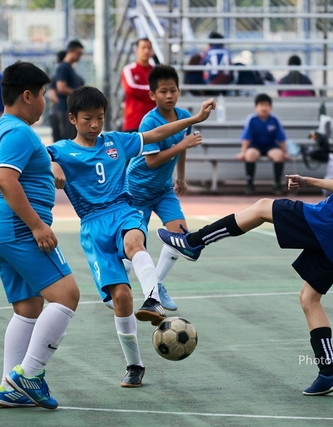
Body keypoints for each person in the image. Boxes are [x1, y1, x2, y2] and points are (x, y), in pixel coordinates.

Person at [158, 75, 333, 397]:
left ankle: (194, 242)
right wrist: (308, 180)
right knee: (309, 298)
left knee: (263, 207)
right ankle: (329, 370)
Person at [47, 86, 214, 387]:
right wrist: (53, 164)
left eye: (100, 117)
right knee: (121, 297)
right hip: (93, 225)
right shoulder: (61, 150)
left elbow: (157, 134)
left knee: (134, 242)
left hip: (124, 210)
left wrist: (195, 119)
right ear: (72, 118)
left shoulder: (115, 142)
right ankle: (135, 365)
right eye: (88, 119)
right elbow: (39, 158)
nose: (95, 125)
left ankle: (152, 299)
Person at [0, 61, 80, 409]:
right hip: (18, 228)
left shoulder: (8, 127)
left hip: (2, 230)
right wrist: (38, 225)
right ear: (27, 96)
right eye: (42, 94)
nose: (45, 100)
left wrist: (48, 166)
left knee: (28, 308)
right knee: (67, 294)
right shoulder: (19, 131)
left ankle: (10, 385)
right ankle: (30, 374)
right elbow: (6, 179)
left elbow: (19, 172)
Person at [124, 65, 203, 312]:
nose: (169, 96)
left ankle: (156, 285)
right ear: (152, 95)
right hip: (137, 190)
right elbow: (151, 160)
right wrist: (183, 146)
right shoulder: (149, 121)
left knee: (181, 237)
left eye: (173, 90)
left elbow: (183, 148)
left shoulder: (184, 117)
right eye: (163, 91)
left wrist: (181, 177)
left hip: (163, 190)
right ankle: (114, 285)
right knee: (133, 244)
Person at [236, 93, 289, 195]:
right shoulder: (251, 120)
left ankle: (277, 184)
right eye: (261, 105)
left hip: (271, 145)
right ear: (256, 107)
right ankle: (250, 184)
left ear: (270, 107)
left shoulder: (274, 120)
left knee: (278, 155)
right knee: (250, 155)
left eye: (266, 105)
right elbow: (246, 138)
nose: (264, 108)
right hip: (255, 145)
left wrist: (285, 152)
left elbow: (281, 138)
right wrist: (243, 152)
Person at [121, 38, 157, 132]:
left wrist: (141, 93)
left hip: (154, 121)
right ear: (136, 50)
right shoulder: (129, 69)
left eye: (149, 48)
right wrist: (153, 92)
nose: (146, 50)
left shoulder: (157, 71)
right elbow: (130, 90)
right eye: (143, 47)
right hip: (133, 121)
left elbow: (161, 91)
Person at [52, 40, 85, 141]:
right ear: (70, 51)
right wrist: (78, 95)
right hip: (64, 109)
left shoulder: (69, 68)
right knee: (68, 138)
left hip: (69, 108)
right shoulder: (63, 67)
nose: (79, 57)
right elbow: (61, 87)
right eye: (78, 54)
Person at [48, 50, 67, 142]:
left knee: (58, 139)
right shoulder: (76, 77)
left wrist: (60, 103)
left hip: (58, 111)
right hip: (71, 111)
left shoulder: (55, 77)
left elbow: (52, 95)